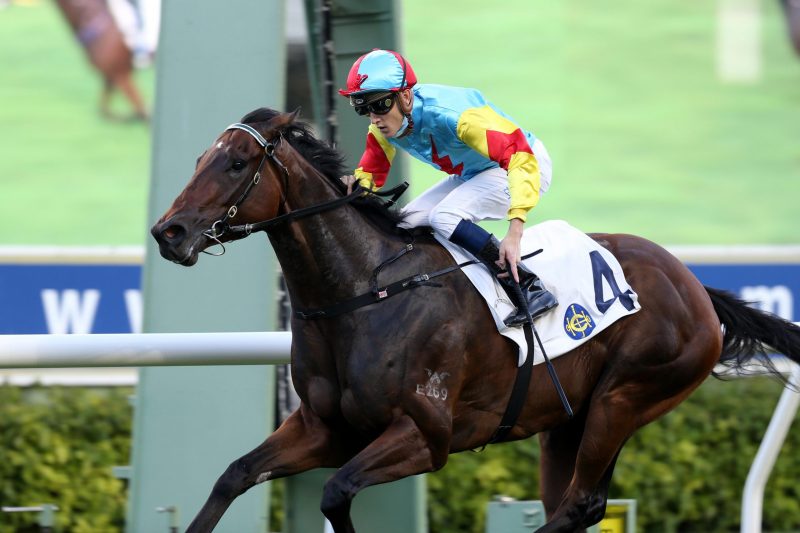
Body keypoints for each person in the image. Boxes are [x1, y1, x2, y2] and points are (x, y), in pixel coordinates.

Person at [339, 49, 556, 326]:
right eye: (364, 109)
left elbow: (519, 157)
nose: (374, 118)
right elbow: (371, 171)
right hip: (476, 172)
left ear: (405, 96)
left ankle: (527, 285)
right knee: (405, 224)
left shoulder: (454, 116)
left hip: (524, 165)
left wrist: (514, 233)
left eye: (380, 105)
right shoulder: (383, 127)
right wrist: (355, 185)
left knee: (444, 216)